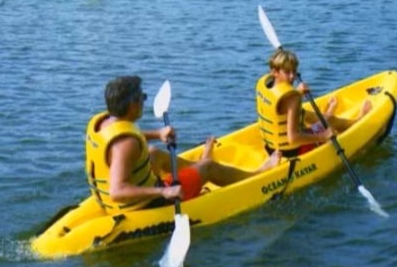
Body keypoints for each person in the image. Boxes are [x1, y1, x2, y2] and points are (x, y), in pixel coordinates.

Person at [85, 75, 280, 213]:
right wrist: (164, 191)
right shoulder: (126, 145)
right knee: (209, 167)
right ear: (132, 104)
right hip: (143, 204)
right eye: (142, 98)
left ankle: (196, 169)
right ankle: (257, 174)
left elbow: (123, 137)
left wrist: (158, 133)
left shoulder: (103, 122)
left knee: (153, 153)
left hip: (116, 202)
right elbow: (117, 191)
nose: (145, 101)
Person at [256, 48, 371, 158]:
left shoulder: (266, 84)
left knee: (305, 114)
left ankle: (327, 115)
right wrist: (323, 137)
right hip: (294, 151)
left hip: (271, 148)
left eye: (294, 71)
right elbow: (293, 138)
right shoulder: (293, 99)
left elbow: (282, 107)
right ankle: (357, 122)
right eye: (287, 72)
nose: (292, 76)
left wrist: (297, 92)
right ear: (274, 72)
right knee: (330, 122)